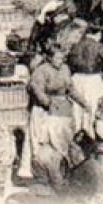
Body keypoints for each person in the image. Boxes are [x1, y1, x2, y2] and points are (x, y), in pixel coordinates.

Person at [25, 43, 77, 187]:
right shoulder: (40, 71)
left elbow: (71, 88)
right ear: (49, 58)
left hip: (62, 111)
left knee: (62, 143)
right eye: (57, 58)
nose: (60, 61)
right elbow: (37, 91)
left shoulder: (65, 69)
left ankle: (62, 171)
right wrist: (50, 104)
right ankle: (42, 175)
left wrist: (83, 103)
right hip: (44, 112)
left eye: (62, 58)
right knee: (43, 144)